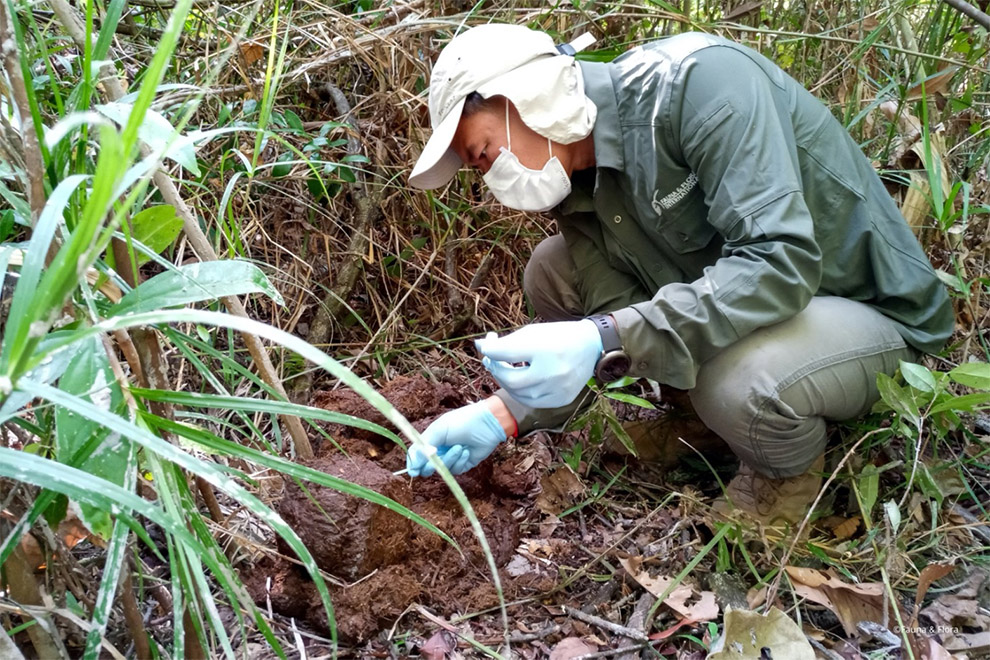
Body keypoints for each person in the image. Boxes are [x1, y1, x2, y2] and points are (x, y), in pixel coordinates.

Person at [403, 24, 954, 524]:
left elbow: (779, 264)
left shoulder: (700, 84)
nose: (491, 177)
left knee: (740, 380)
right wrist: (503, 414)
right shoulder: (574, 179)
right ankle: (702, 424)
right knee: (552, 270)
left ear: (530, 96)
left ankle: (785, 480)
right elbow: (611, 315)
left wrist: (604, 335)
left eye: (484, 152)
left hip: (862, 313)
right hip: (760, 310)